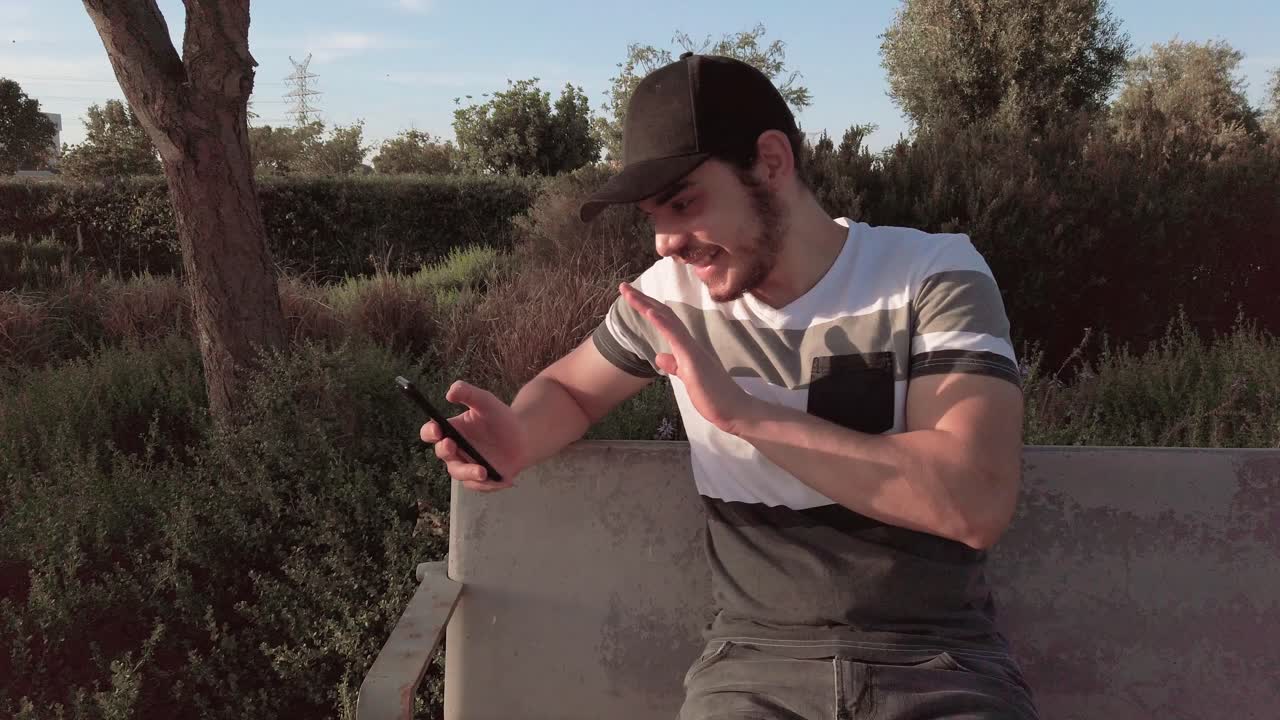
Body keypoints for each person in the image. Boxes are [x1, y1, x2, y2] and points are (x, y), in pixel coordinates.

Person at [421, 52, 1039, 720]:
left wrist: (746, 416)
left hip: (939, 665)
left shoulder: (931, 275)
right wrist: (516, 435)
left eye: (684, 203)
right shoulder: (668, 302)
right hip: (752, 667)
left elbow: (974, 501)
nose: (663, 243)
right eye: (653, 216)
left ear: (771, 161)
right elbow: (571, 390)